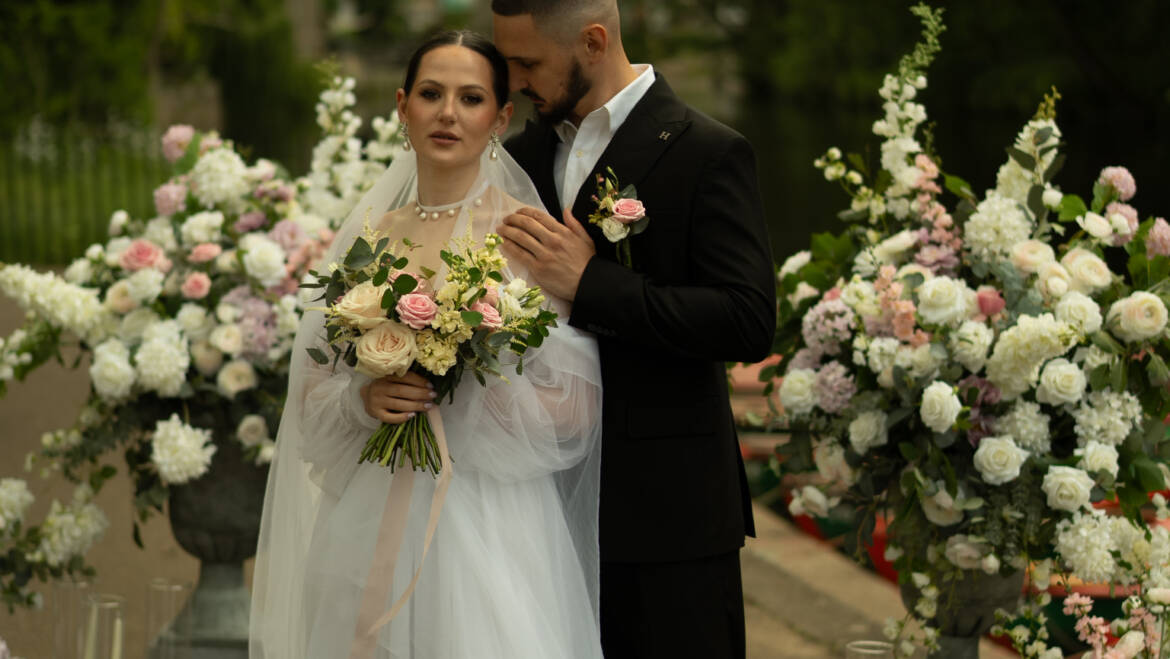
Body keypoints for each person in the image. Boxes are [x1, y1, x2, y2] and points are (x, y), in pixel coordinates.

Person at [249, 30, 605, 659]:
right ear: (401, 106)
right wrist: (367, 397)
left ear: (500, 118)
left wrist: (469, 387)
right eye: (431, 94)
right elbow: (310, 400)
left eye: (470, 99)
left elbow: (574, 410)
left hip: (487, 518)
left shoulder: (525, 237)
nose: (447, 113)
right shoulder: (368, 240)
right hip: (370, 504)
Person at [490, 2, 778, 658]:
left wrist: (592, 285)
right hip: (539, 513)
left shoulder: (708, 150)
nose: (514, 81)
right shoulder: (517, 159)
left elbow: (748, 318)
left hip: (668, 515)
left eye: (527, 63)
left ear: (593, 41)